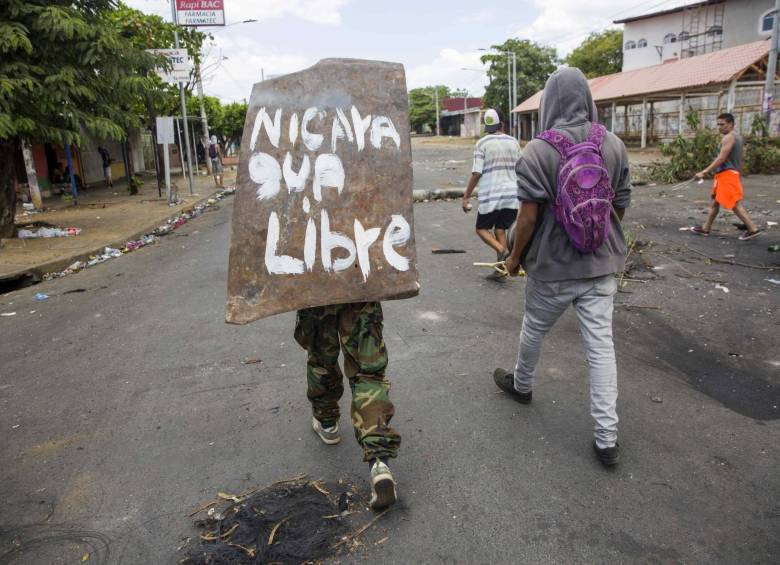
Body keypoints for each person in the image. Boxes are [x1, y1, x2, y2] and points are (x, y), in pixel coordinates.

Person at [496, 68, 632, 467]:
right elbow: (618, 204)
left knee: (533, 330)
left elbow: (528, 220)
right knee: (600, 348)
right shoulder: (614, 145)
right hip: (600, 266)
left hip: (552, 269)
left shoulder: (538, 150)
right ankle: (607, 439)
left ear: (549, 102)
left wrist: (515, 258)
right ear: (587, 98)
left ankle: (521, 385)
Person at [294, 302, 400, 510]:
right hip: (360, 285)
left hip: (316, 289)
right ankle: (379, 463)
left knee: (321, 362)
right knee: (368, 373)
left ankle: (327, 423)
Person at [462, 109, 521, 267]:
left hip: (492, 196)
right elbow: (521, 168)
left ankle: (503, 251)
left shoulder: (482, 143)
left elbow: (476, 173)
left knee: (481, 229)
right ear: (502, 124)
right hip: (512, 195)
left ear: (486, 127)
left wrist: (466, 196)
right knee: (500, 229)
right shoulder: (514, 142)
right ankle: (502, 267)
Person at [692, 113, 761, 240]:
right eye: (718, 124)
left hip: (727, 175)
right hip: (728, 174)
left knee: (734, 204)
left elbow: (721, 158)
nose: (719, 127)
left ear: (731, 124)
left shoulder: (729, 137)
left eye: (722, 124)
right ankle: (705, 228)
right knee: (715, 203)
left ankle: (752, 229)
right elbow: (738, 159)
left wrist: (704, 171)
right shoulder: (737, 137)